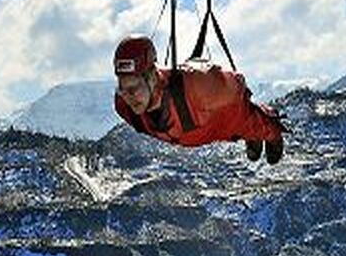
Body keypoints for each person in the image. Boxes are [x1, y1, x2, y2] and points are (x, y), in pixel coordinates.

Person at [112, 36, 284, 163]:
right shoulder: (125, 106)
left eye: (133, 89)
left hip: (227, 119)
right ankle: (252, 135)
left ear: (152, 78)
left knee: (256, 127)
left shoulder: (197, 86)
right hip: (199, 129)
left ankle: (266, 131)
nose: (128, 97)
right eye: (122, 89)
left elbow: (235, 86)